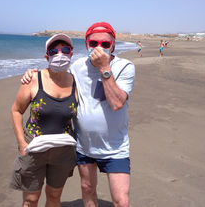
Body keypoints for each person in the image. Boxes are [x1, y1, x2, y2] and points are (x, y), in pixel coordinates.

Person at [22, 22, 135, 207]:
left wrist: (104, 68)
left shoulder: (125, 67)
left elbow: (117, 103)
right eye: (94, 43)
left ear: (113, 45)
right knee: (87, 189)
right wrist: (32, 73)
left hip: (115, 147)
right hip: (85, 145)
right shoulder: (77, 67)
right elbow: (55, 75)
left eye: (105, 44)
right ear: (86, 44)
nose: (99, 48)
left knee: (121, 200)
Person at [10, 33, 78, 207]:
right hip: (33, 148)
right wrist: (21, 144)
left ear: (71, 53)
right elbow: (16, 110)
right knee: (30, 200)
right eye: (54, 51)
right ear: (47, 56)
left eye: (65, 50)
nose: (60, 54)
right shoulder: (33, 79)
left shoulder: (76, 82)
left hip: (63, 150)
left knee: (54, 197)